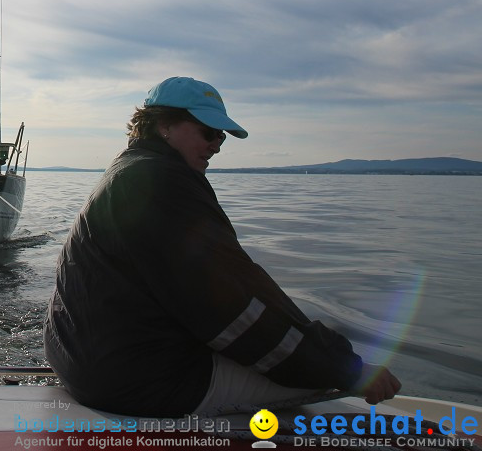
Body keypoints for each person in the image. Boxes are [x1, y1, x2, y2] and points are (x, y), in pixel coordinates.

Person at [43, 76, 400, 417]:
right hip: (136, 381)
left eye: (222, 137)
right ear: (164, 124)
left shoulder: (128, 169)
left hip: (82, 361)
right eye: (208, 131)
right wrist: (345, 369)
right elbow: (232, 305)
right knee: (326, 379)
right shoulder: (164, 182)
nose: (216, 143)